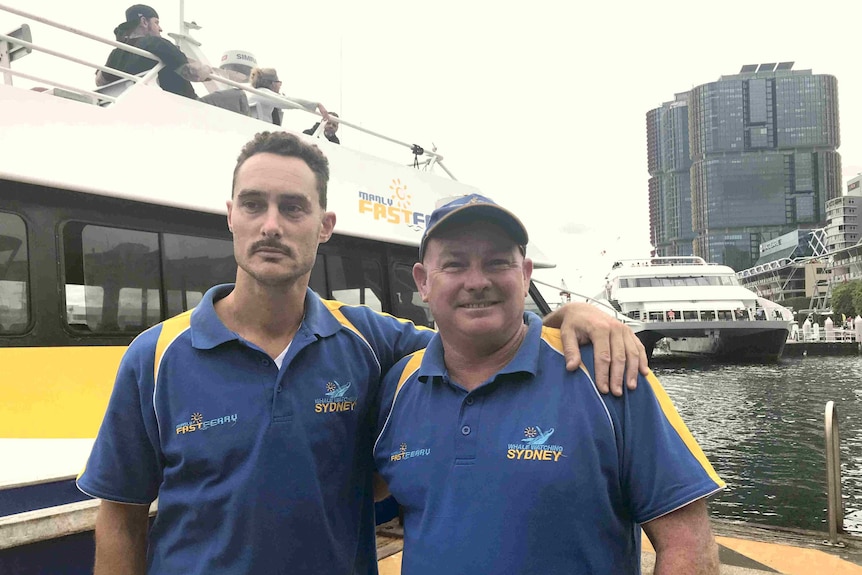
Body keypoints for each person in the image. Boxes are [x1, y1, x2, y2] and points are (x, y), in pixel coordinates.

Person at [76, 132, 648, 574]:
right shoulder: (155, 358)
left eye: (293, 209)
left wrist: (569, 316)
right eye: (254, 205)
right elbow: (121, 517)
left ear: (324, 226)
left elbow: (480, 342)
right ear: (231, 216)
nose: (271, 225)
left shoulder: (371, 343)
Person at [374, 194, 724, 574]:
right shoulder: (398, 387)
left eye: (496, 262)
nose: (476, 281)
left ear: (524, 275)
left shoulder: (606, 371)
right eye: (454, 264)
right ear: (423, 282)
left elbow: (688, 546)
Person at [95, 4, 209, 99]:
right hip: (187, 106)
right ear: (144, 22)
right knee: (227, 96)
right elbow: (195, 74)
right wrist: (207, 70)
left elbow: (100, 81)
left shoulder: (116, 54)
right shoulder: (157, 43)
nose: (160, 28)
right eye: (156, 22)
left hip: (134, 103)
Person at [246, 67, 330, 126]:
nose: (280, 86)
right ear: (272, 83)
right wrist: (317, 104)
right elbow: (288, 102)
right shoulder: (263, 93)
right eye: (279, 82)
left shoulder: (260, 93)